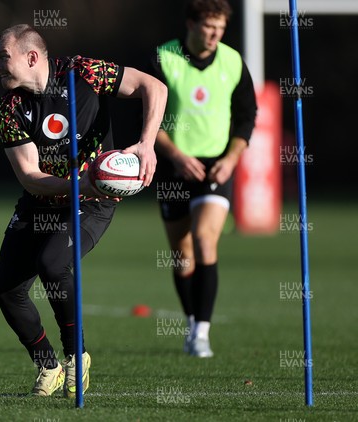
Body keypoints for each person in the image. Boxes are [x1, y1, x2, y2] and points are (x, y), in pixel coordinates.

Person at [0, 24, 167, 396]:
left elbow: (154, 87)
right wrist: (77, 183)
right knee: (7, 291)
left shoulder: (82, 72)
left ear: (32, 57)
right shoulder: (9, 108)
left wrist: (147, 144)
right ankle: (48, 365)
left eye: (3, 58)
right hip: (44, 198)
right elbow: (29, 176)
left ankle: (77, 357)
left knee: (53, 264)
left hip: (93, 201)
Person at [151, 0, 257, 357]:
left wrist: (231, 159)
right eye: (209, 26)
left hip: (216, 167)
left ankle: (202, 334)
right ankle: (192, 320)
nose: (214, 34)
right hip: (173, 166)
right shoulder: (163, 58)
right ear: (191, 24)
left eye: (220, 28)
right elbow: (146, 120)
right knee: (183, 256)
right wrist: (177, 156)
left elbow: (246, 118)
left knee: (205, 239)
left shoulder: (232, 62)